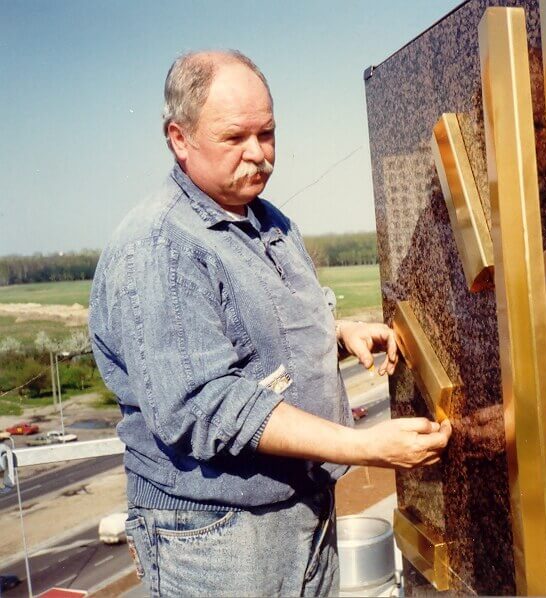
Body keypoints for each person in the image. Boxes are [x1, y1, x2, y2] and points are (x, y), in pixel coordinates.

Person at [89, 49, 451, 597]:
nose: (258, 154)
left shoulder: (268, 220)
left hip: (302, 509)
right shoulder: (162, 246)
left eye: (267, 133)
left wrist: (337, 336)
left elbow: (252, 340)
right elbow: (204, 405)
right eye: (235, 137)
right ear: (179, 139)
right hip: (221, 539)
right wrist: (364, 447)